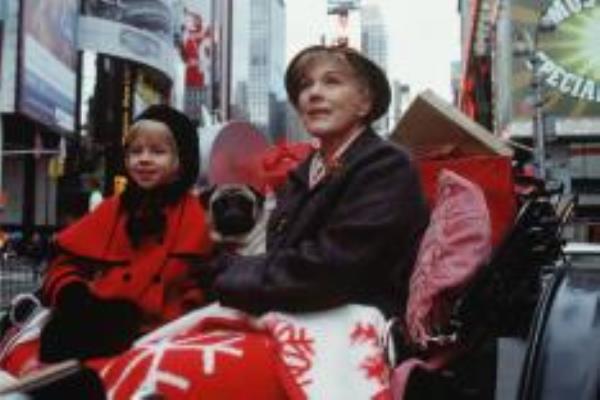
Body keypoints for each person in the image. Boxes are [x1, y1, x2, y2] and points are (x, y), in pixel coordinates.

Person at [204, 44, 429, 319]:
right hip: (299, 316)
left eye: (332, 81)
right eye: (305, 85)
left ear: (365, 103)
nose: (314, 93)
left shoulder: (386, 166)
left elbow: (335, 269)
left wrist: (234, 273)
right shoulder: (304, 172)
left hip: (357, 330)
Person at [37, 104, 214, 363]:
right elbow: (61, 265)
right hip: (101, 332)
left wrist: (188, 311)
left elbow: (207, 280)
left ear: (181, 162)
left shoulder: (200, 216)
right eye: (135, 151)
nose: (143, 159)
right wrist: (75, 297)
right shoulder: (111, 209)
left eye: (158, 151)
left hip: (169, 339)